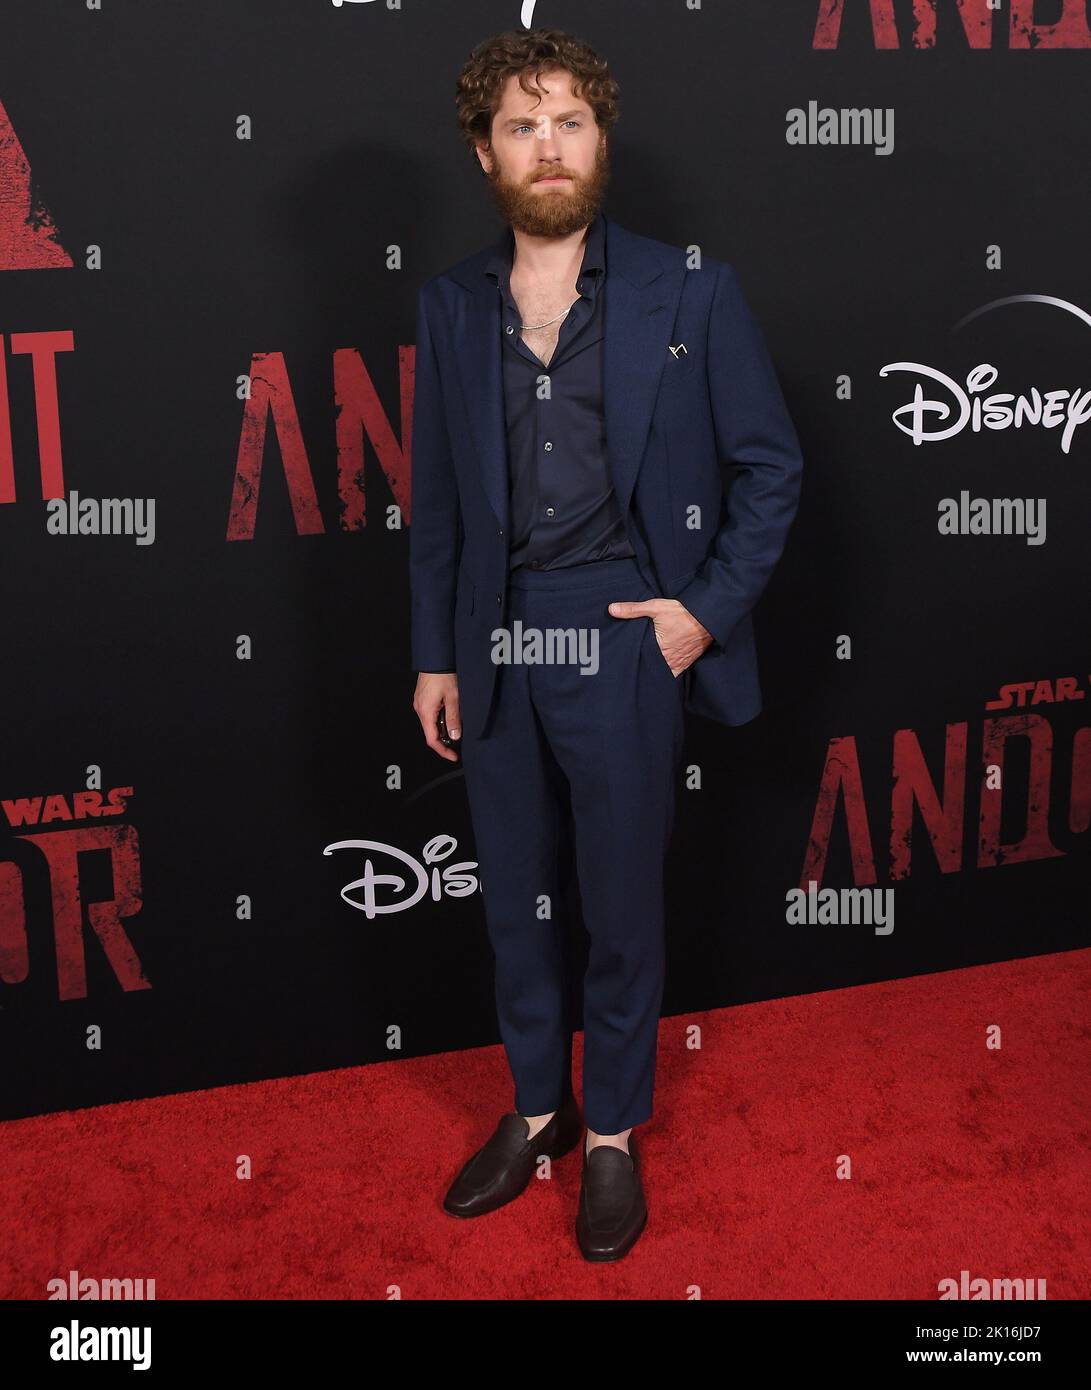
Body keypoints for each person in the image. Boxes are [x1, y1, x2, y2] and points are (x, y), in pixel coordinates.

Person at [409, 26, 803, 1261]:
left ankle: (616, 1133)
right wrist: (434, 652)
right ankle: (539, 1113)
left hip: (624, 632)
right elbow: (434, 504)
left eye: (569, 120)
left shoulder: (687, 289)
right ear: (485, 152)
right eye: (522, 125)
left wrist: (699, 611)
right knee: (516, 906)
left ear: (598, 139)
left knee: (619, 905)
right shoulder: (449, 305)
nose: (548, 145)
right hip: (495, 643)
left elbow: (770, 468)